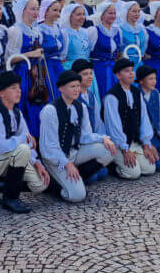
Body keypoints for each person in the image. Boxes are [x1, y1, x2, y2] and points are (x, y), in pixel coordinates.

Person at [0, 71, 49, 213]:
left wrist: (37, 162)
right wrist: (24, 140)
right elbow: (2, 147)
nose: (19, 91)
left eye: (19, 87)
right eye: (13, 88)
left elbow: (29, 143)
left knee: (40, 184)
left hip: (8, 157)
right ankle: (11, 198)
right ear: (1, 93)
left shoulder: (17, 113)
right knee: (22, 149)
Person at [39, 69, 119, 201]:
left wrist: (103, 138)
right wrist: (67, 164)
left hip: (74, 152)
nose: (76, 90)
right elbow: (49, 147)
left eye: (77, 86)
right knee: (77, 196)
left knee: (109, 150)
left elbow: (85, 136)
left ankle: (77, 177)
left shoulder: (80, 107)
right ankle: (54, 185)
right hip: (55, 158)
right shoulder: (50, 111)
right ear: (61, 88)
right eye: (72, 86)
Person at [101, 58, 158, 180]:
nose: (131, 73)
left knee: (150, 168)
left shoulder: (136, 92)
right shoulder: (112, 96)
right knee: (133, 173)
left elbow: (144, 119)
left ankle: (133, 158)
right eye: (127, 71)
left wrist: (146, 145)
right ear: (118, 75)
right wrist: (125, 149)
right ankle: (113, 166)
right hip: (117, 144)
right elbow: (113, 127)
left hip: (134, 142)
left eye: (132, 70)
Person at [7, 0, 50, 137]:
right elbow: (10, 59)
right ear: (23, 10)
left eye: (37, 8)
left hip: (37, 74)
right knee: (24, 104)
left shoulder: (37, 31)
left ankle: (39, 137)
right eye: (32, 9)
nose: (36, 12)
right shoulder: (15, 31)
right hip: (22, 74)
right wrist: (32, 54)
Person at [136, 65, 160, 168]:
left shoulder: (156, 93)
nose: (154, 82)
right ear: (141, 81)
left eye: (155, 78)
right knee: (158, 164)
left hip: (155, 135)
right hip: (142, 137)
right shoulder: (136, 95)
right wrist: (147, 143)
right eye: (150, 79)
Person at [37, 0, 66, 94]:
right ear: (45, 11)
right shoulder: (39, 30)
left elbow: (63, 52)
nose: (58, 13)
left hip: (58, 66)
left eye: (59, 11)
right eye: (55, 10)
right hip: (45, 67)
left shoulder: (60, 29)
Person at [116, 1, 147, 69]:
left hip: (139, 64)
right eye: (134, 11)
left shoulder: (141, 28)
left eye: (138, 11)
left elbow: (143, 46)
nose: (137, 14)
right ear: (126, 12)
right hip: (125, 65)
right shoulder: (119, 29)